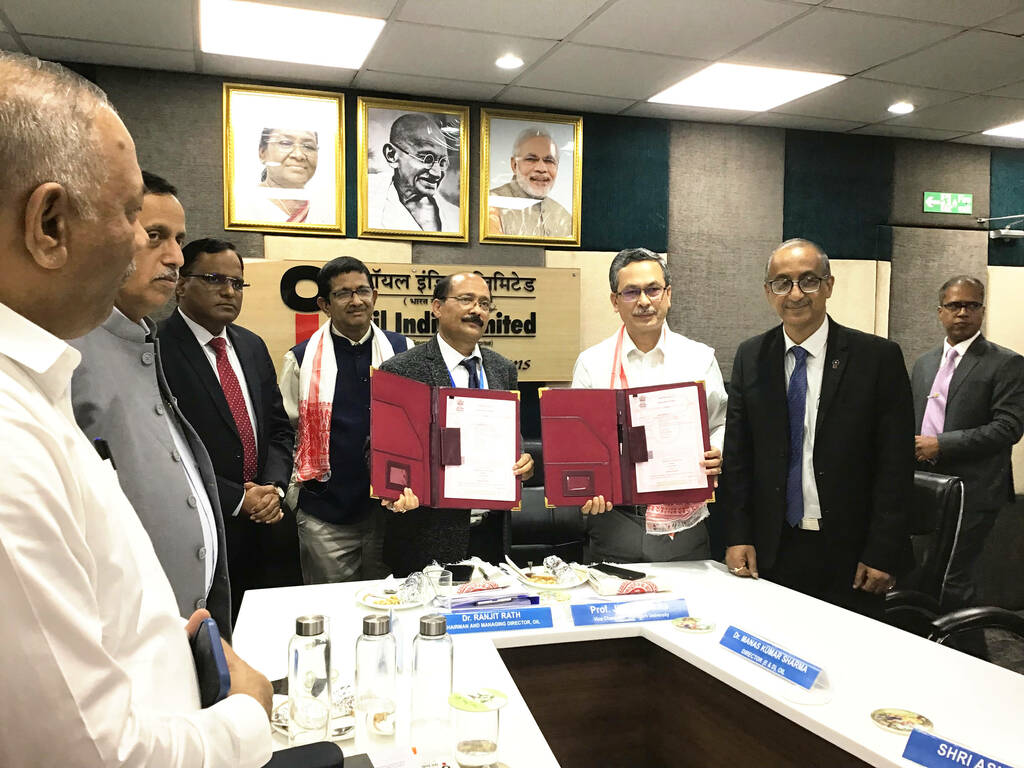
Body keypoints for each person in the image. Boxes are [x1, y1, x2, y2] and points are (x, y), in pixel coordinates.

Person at [0, 51, 271, 766]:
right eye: (131, 217)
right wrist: (249, 716)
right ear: (49, 224)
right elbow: (90, 752)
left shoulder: (46, 374)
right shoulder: (8, 440)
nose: (166, 256)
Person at [70, 172, 234, 636]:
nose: (176, 257)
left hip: (181, 631)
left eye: (178, 239)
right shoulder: (68, 351)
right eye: (155, 236)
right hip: (121, 637)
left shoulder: (140, 338)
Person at [719, 238, 915, 620]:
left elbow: (896, 464)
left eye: (808, 280)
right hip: (773, 547)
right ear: (768, 292)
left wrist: (882, 550)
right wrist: (737, 535)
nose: (795, 294)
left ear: (828, 285)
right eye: (782, 283)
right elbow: (739, 457)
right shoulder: (751, 357)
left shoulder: (877, 358)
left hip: (851, 552)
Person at [159, 238, 301, 619]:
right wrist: (238, 498)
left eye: (237, 283)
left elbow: (279, 429)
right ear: (180, 284)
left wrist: (273, 488)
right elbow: (163, 451)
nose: (229, 291)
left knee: (277, 632)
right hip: (204, 530)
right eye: (214, 279)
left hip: (269, 524)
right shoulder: (156, 348)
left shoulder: (251, 346)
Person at [571, 248, 726, 563]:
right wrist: (586, 486)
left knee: (688, 596)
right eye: (631, 292)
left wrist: (718, 451)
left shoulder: (699, 358)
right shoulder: (592, 363)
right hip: (614, 519)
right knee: (612, 594)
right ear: (615, 301)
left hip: (684, 521)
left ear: (668, 295)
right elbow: (578, 443)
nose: (643, 301)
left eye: (653, 289)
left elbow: (720, 423)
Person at [378, 272, 534, 574]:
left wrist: (524, 462)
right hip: (426, 538)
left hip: (491, 535)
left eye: (485, 304)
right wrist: (393, 489)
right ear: (437, 307)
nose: (477, 310)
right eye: (466, 300)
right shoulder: (401, 370)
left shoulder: (502, 369)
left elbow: (512, 439)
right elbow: (378, 450)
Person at [278, 256, 413, 583]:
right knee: (330, 607)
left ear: (374, 296)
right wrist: (295, 498)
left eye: (363, 291)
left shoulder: (403, 351)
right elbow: (284, 432)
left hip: (390, 512)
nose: (356, 301)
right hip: (325, 515)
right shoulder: (300, 360)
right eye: (343, 294)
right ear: (324, 304)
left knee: (390, 603)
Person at [911, 275, 1024, 608]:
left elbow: (1008, 428)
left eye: (972, 305)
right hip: (924, 486)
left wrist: (941, 444)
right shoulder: (924, 364)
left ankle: (968, 641)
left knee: (953, 578)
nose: (963, 312)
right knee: (923, 574)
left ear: (982, 311)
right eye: (955, 305)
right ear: (940, 311)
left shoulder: (1006, 363)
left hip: (974, 490)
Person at [371, 112, 460, 232]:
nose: (437, 174)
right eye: (427, 159)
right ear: (391, 155)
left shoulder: (455, 216)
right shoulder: (368, 197)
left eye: (442, 162)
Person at [488, 127, 571, 238]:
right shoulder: (490, 205)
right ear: (514, 165)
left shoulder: (563, 216)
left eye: (549, 160)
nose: (541, 168)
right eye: (531, 159)